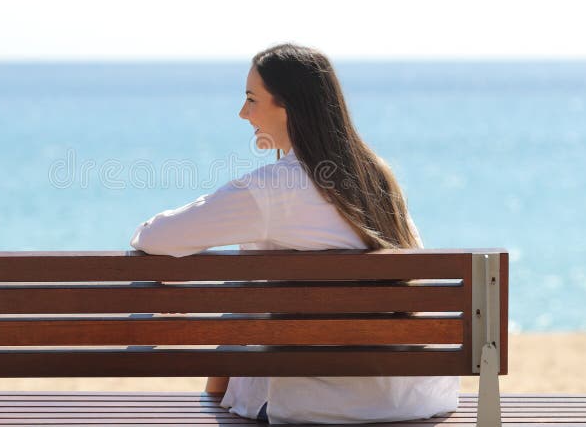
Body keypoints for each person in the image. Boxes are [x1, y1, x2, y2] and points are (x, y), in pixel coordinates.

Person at [129, 43, 459, 424]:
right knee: (244, 309)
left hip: (317, 402)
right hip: (411, 397)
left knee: (241, 316)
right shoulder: (376, 176)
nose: (243, 113)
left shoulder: (275, 189)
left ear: (288, 105)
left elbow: (157, 238)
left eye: (252, 99)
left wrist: (167, 274)